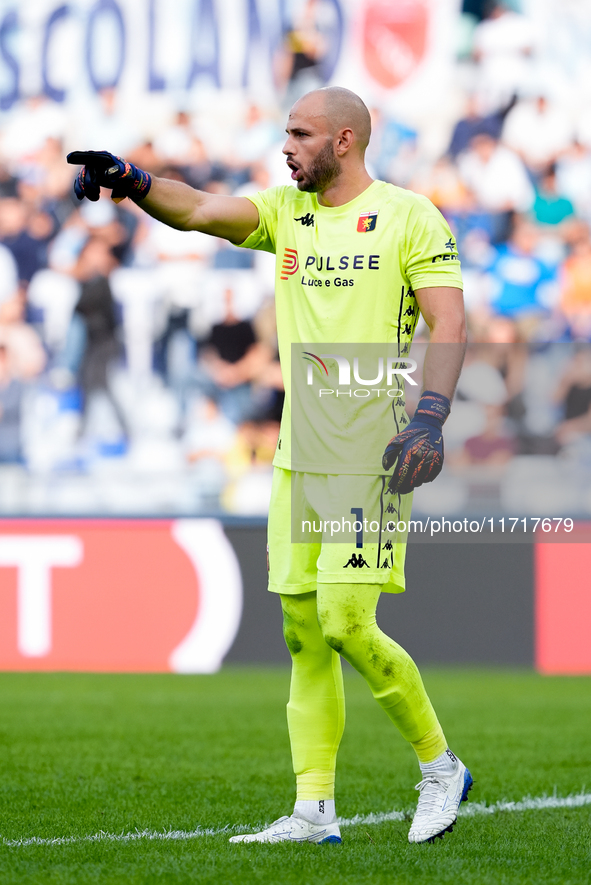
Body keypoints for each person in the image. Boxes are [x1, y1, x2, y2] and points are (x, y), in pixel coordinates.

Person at [67, 86, 470, 845]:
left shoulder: (410, 215)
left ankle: (440, 767)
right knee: (301, 630)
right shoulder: (288, 213)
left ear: (345, 140)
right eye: (285, 130)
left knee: (347, 622)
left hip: (374, 452)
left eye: (300, 133)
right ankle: (314, 809)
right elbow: (198, 209)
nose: (285, 145)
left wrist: (430, 416)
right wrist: (134, 180)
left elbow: (449, 318)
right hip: (299, 452)